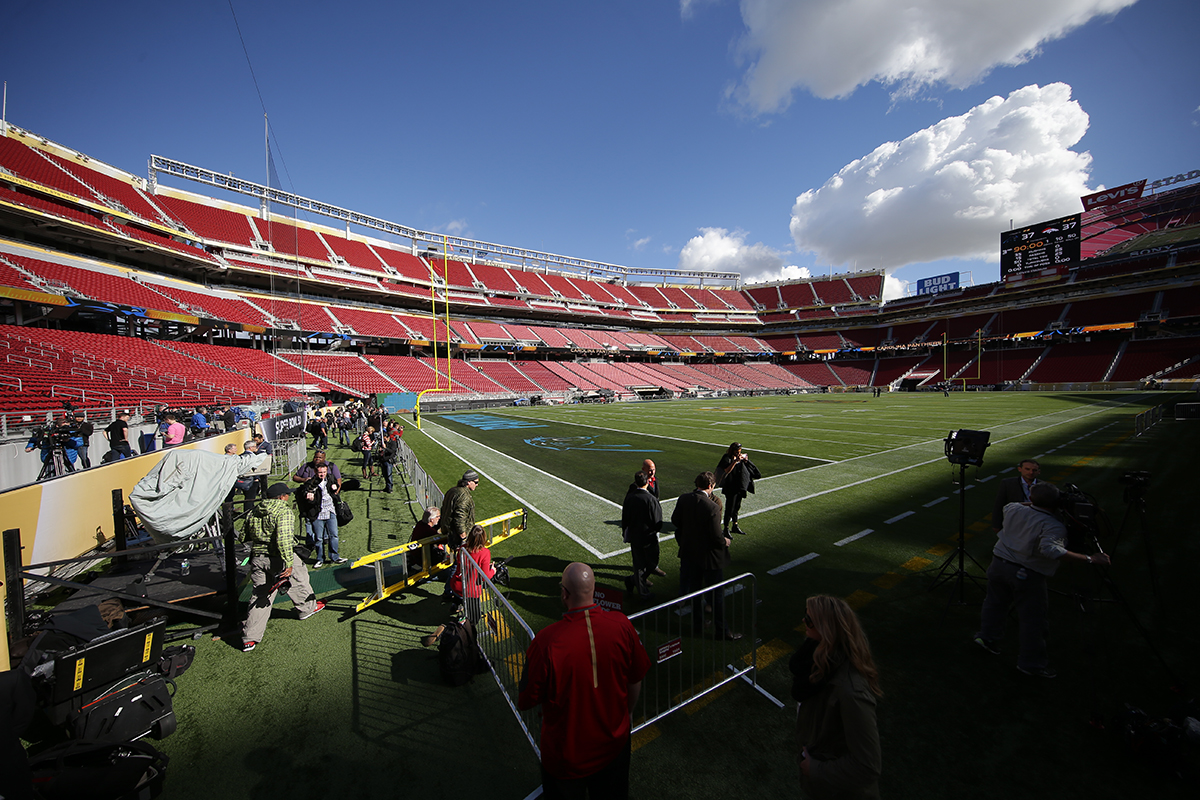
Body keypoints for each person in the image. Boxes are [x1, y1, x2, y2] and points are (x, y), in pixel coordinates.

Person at [517, 562, 650, 800]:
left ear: (564, 593)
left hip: (567, 756)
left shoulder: (547, 641)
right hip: (614, 745)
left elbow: (526, 698)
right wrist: (628, 713)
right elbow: (636, 676)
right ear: (594, 589)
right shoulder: (621, 625)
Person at [975, 482, 1112, 678]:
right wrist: (1090, 559)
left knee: (994, 604)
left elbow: (1016, 504)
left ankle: (986, 638)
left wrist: (1038, 501)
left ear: (1031, 500)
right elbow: (1051, 550)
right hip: (1026, 573)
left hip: (998, 564)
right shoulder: (1053, 525)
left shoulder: (1013, 509)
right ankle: (1031, 664)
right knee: (1033, 620)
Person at [789, 595, 883, 800]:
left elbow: (868, 766)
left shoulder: (851, 691)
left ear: (826, 630)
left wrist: (816, 770)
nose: (804, 621)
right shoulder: (819, 665)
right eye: (805, 616)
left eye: (809, 619)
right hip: (825, 786)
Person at [241, 483, 325, 652]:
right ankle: (307, 608)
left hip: (258, 557)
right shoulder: (283, 511)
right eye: (287, 494)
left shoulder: (254, 511)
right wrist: (288, 562)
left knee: (260, 595)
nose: (288, 497)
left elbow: (244, 535)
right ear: (281, 497)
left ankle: (249, 638)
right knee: (299, 578)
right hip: (278, 557)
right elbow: (284, 539)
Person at [671, 472, 741, 640]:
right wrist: (725, 542)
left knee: (695, 593)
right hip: (709, 558)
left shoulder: (684, 499)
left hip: (690, 554)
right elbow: (716, 537)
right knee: (716, 595)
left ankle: (698, 625)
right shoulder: (712, 507)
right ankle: (722, 631)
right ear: (711, 486)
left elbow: (675, 521)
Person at [622, 471, 662, 601]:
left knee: (640, 564)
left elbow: (625, 518)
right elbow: (658, 521)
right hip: (648, 537)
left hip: (635, 536)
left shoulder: (630, 497)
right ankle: (642, 592)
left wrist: (625, 532)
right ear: (646, 482)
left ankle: (632, 580)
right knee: (651, 563)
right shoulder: (651, 499)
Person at [298, 464, 346, 569]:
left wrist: (335, 487)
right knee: (319, 538)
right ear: (315, 472)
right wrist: (309, 498)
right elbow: (305, 495)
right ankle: (320, 559)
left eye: (324, 472)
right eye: (320, 473)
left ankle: (335, 556)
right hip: (317, 513)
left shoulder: (330, 478)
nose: (322, 475)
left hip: (331, 510)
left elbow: (335, 488)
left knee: (334, 535)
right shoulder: (310, 483)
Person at [448, 524, 494, 625]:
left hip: (457, 585)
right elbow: (484, 577)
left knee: (459, 597)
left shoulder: (463, 548)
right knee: (475, 618)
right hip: (471, 591)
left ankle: (455, 604)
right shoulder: (485, 553)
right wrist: (493, 570)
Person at [715, 442, 761, 536]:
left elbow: (755, 472)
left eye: (740, 451)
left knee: (736, 507)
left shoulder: (741, 458)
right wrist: (735, 462)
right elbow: (726, 470)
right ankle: (726, 528)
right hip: (730, 487)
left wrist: (746, 461)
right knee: (729, 508)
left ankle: (735, 525)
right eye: (737, 451)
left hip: (740, 486)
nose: (738, 453)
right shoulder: (727, 458)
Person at [992, 459, 1041, 531]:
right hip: (1015, 522)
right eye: (1027, 469)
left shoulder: (1044, 486)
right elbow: (999, 504)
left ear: (1038, 472)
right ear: (1019, 469)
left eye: (1034, 470)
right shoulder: (1008, 483)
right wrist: (996, 525)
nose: (1031, 472)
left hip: (1035, 522)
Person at [407, 507, 445, 575]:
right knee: (441, 555)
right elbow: (444, 540)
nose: (439, 518)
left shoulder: (420, 524)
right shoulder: (429, 531)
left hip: (414, 554)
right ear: (431, 519)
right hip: (421, 556)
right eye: (438, 516)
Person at [379, 422, 402, 493]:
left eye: (385, 438)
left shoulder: (393, 443)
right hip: (383, 460)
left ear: (388, 437)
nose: (384, 440)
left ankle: (390, 487)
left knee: (389, 475)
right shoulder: (383, 443)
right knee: (385, 475)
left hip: (389, 460)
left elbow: (392, 451)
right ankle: (387, 487)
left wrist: (385, 448)